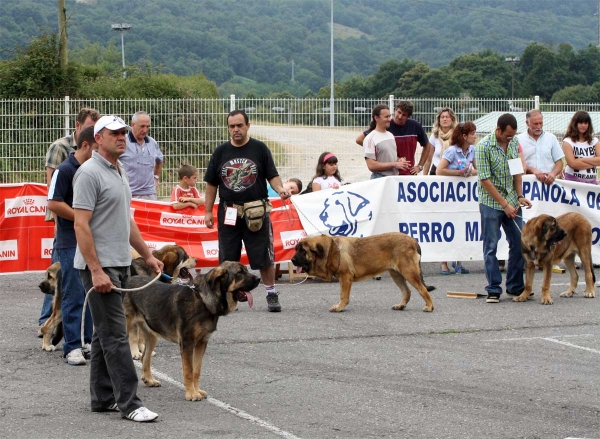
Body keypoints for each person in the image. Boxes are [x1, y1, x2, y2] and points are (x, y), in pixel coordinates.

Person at [73, 115, 163, 422]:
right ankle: (131, 404)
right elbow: (81, 225)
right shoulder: (88, 174)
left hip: (121, 263)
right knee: (116, 337)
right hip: (101, 267)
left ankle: (102, 398)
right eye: (115, 133)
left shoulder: (119, 169)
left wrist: (147, 256)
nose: (122, 137)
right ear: (99, 138)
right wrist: (95, 270)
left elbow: (128, 221)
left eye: (124, 132)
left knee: (103, 335)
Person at [203, 109, 291, 312]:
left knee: (263, 256)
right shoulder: (220, 152)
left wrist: (280, 189)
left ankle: (271, 293)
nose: (236, 130)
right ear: (228, 128)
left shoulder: (259, 148)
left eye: (239, 125)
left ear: (247, 126)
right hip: (229, 212)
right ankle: (227, 296)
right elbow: (211, 184)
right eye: (232, 126)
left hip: (256, 213)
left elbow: (272, 175)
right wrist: (208, 211)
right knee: (227, 259)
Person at [39, 107, 100, 333]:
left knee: (76, 283)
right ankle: (48, 322)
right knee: (62, 278)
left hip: (83, 224)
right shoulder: (60, 148)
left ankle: (70, 329)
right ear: (78, 127)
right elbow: (52, 189)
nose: (94, 133)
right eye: (89, 128)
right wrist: (66, 221)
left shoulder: (97, 155)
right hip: (65, 223)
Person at [47, 126, 97, 365]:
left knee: (89, 292)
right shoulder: (64, 170)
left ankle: (86, 341)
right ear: (85, 145)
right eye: (95, 148)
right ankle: (72, 347)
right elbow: (53, 203)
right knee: (73, 293)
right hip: (69, 241)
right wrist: (80, 217)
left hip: (90, 238)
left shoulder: (92, 169)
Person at [475, 113, 532, 303]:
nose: (511, 139)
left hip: (512, 200)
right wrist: (504, 204)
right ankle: (493, 289)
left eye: (513, 135)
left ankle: (515, 286)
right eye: (507, 135)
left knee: (519, 242)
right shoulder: (483, 146)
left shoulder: (514, 144)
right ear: (498, 130)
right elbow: (485, 180)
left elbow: (517, 172)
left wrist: (520, 196)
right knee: (490, 246)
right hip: (491, 202)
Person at [436, 121, 478, 275]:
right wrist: (458, 173)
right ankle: (443, 263)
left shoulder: (472, 150)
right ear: (464, 136)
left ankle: (458, 261)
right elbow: (440, 170)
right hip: (449, 194)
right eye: (472, 133)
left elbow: (477, 169)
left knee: (461, 225)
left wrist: (468, 173)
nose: (475, 136)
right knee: (447, 226)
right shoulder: (452, 151)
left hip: (463, 196)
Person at [356, 100, 433, 175]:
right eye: (399, 112)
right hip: (390, 173)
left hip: (408, 173)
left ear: (408, 116)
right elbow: (360, 139)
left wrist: (420, 166)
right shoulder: (385, 124)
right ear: (395, 110)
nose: (400, 116)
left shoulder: (415, 126)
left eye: (404, 115)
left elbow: (427, 145)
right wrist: (376, 150)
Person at [120, 111, 164, 199]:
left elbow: (160, 160)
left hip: (150, 194)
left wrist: (156, 177)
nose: (145, 130)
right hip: (128, 194)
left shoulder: (152, 142)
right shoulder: (122, 141)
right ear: (132, 124)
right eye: (142, 126)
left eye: (148, 127)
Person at [362, 104, 411, 179]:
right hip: (380, 179)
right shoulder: (370, 138)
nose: (389, 119)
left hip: (393, 178)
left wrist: (399, 160)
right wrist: (394, 164)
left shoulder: (390, 135)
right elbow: (371, 165)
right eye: (386, 117)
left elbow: (390, 157)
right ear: (376, 118)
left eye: (389, 116)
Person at [562, 110, 599, 185]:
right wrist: (593, 163)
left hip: (592, 182)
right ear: (575, 124)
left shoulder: (594, 141)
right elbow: (572, 164)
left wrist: (581, 160)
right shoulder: (568, 141)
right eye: (581, 123)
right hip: (572, 181)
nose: (583, 125)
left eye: (586, 123)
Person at [424, 107, 458, 176]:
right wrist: (424, 178)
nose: (444, 119)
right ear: (439, 120)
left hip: (453, 172)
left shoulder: (457, 135)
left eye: (447, 117)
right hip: (436, 171)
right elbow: (428, 159)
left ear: (452, 119)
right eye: (442, 117)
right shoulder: (434, 136)